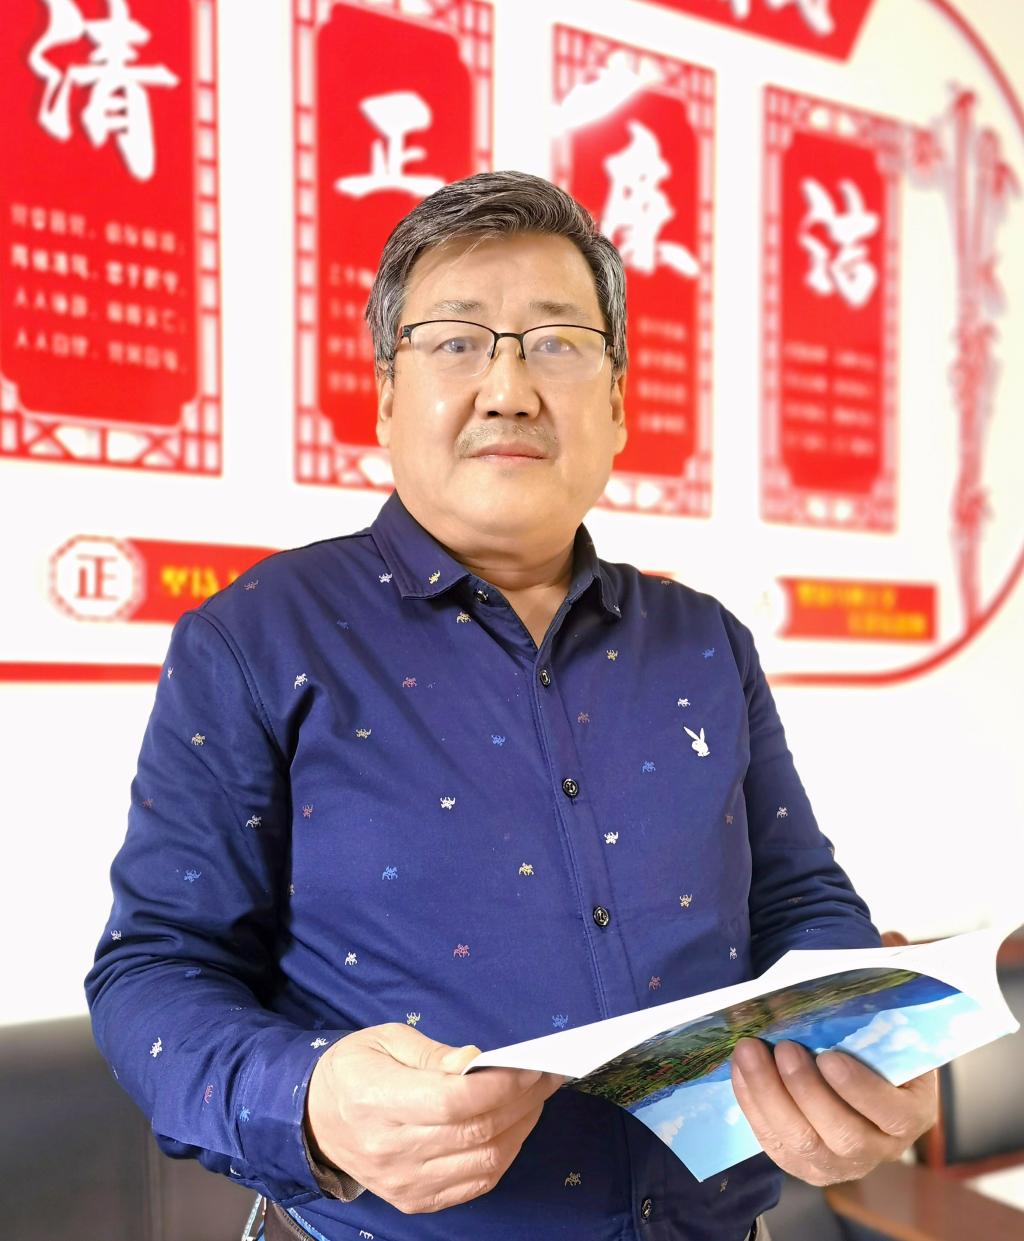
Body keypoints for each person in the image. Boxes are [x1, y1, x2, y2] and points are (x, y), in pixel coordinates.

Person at [86, 171, 936, 1241]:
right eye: (455, 341)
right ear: (386, 397)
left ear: (617, 403)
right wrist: (308, 1098)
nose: (509, 389)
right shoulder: (256, 637)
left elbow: (797, 897)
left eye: (556, 342)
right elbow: (154, 967)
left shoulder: (704, 640)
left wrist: (860, 1038)